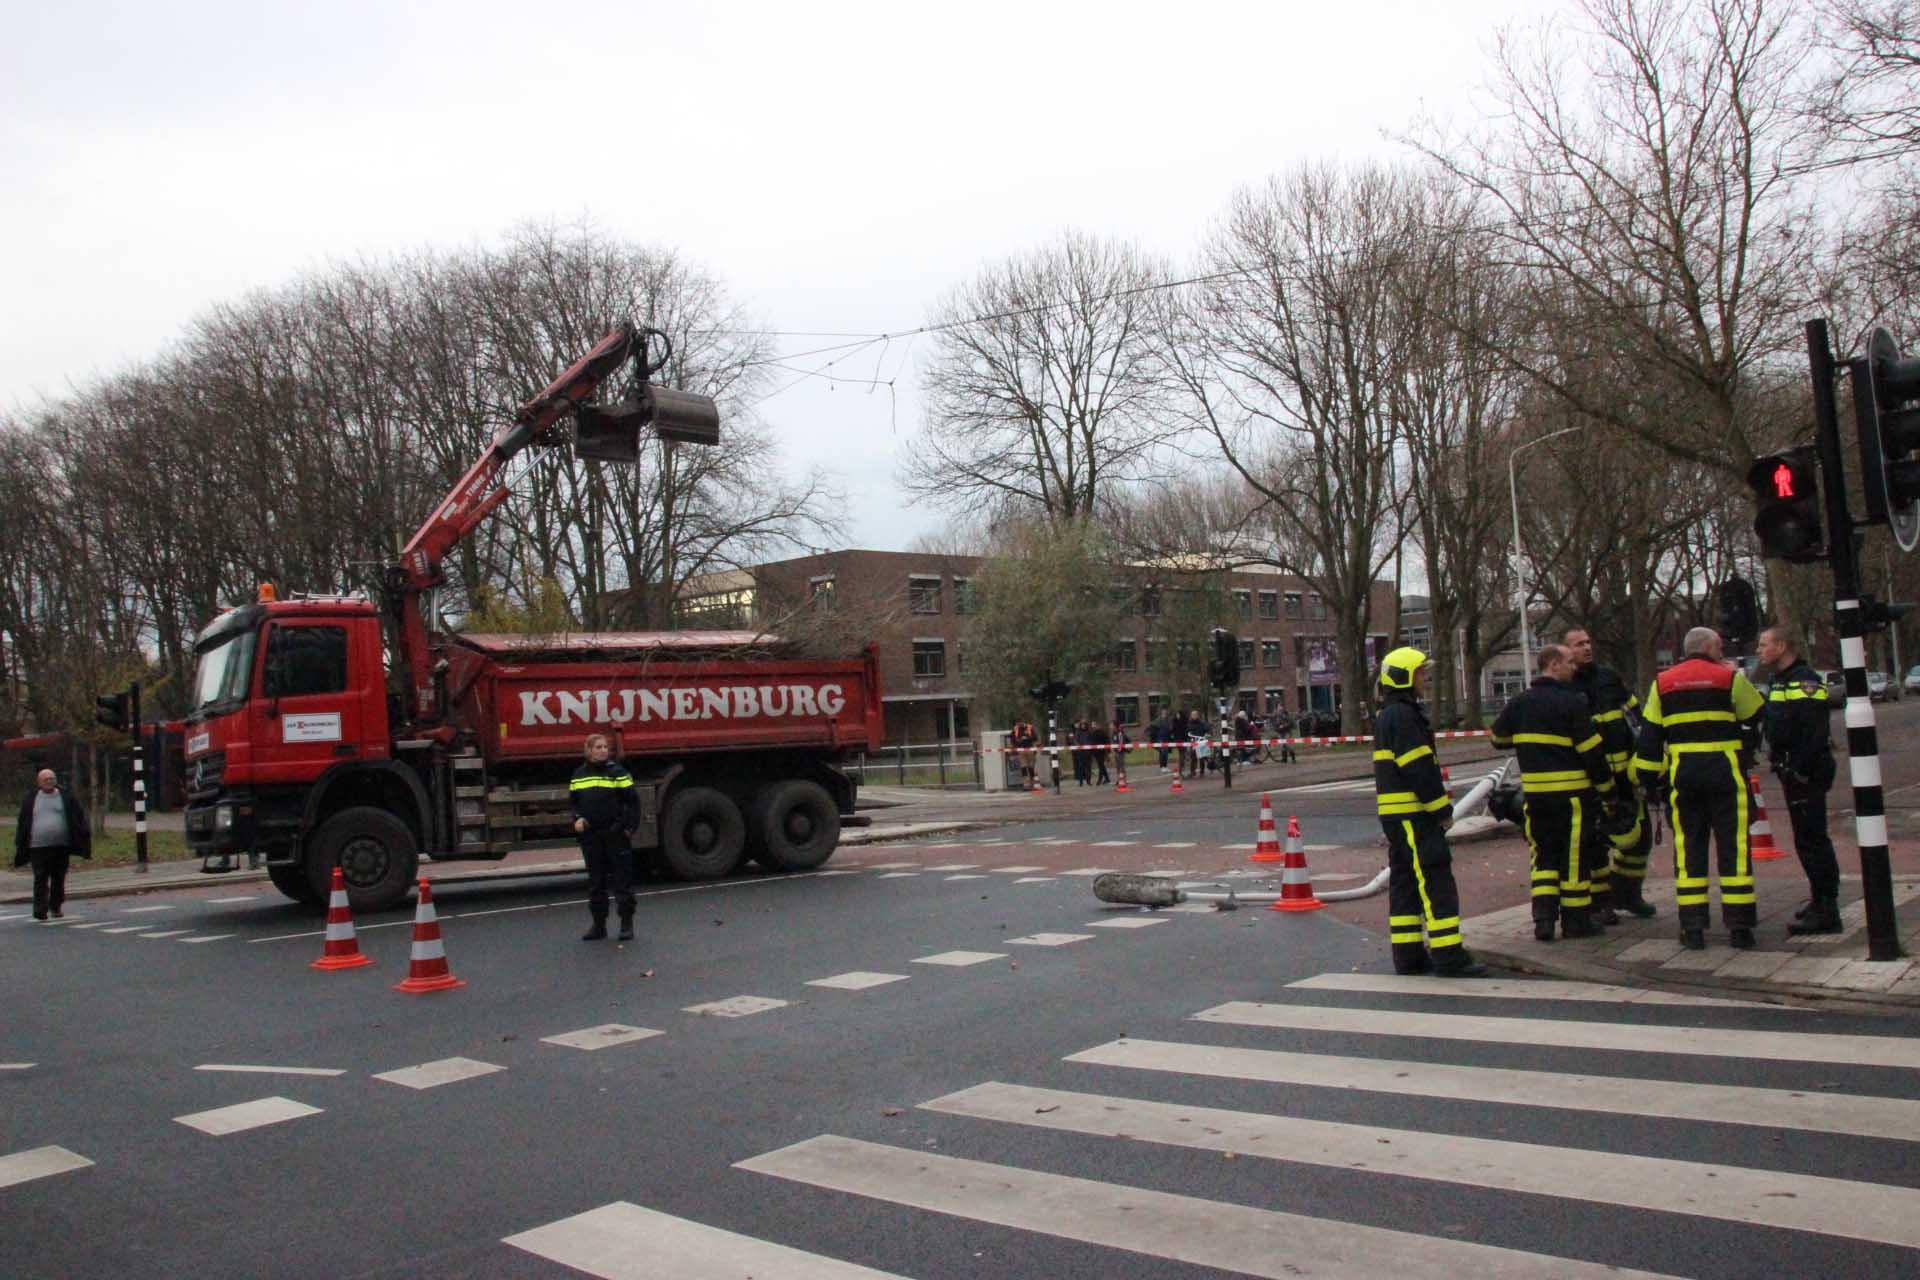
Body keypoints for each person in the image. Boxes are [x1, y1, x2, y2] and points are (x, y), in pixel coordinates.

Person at [1633, 627, 1767, 950]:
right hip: (1726, 775)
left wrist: (1649, 782)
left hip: (1684, 778)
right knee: (1734, 850)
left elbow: (1650, 739)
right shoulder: (1729, 679)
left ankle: (1692, 928)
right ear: (1707, 647)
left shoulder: (1662, 684)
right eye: (1719, 647)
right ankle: (1740, 927)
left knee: (1689, 848)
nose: (1721, 652)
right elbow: (1758, 713)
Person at [1373, 647, 1488, 977]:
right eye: (1421, 673)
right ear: (1405, 677)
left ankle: (1409, 956)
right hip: (1415, 817)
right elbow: (1419, 768)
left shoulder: (1390, 715)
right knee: (1435, 882)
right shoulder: (1405, 717)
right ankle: (1449, 956)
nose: (1426, 678)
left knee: (1406, 885)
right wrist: (1441, 810)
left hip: (1400, 819)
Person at [1492, 645, 1618, 942]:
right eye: (1569, 662)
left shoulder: (1520, 702)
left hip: (1535, 797)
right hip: (1572, 797)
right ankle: (1576, 922)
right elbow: (1592, 754)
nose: (1574, 667)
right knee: (1574, 858)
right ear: (1552, 665)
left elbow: (1498, 738)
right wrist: (1609, 792)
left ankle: (1544, 921)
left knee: (1543, 858)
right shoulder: (1572, 703)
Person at [1564, 628, 1656, 920]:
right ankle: (1599, 902)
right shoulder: (1565, 687)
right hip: (1589, 779)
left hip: (1624, 776)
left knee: (1639, 835)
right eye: (1579, 644)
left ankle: (1628, 893)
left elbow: (1636, 716)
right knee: (1595, 842)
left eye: (1588, 642)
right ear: (1566, 652)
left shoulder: (1608, 677)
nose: (1587, 648)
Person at [1757, 625, 1841, 935]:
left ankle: (1828, 908)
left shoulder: (1804, 681)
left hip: (1806, 774)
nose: (1759, 650)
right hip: (1793, 771)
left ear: (1781, 646)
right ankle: (1819, 899)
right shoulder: (1780, 680)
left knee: (1813, 840)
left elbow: (1814, 732)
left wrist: (1801, 770)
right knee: (1805, 839)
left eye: (1764, 644)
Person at [569, 733, 639, 942]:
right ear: (588, 750)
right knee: (596, 882)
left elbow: (633, 802)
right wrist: (577, 818)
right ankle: (599, 926)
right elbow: (574, 803)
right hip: (591, 836)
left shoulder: (617, 772)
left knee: (622, 880)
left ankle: (626, 924)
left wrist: (629, 828)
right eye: (598, 747)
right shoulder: (578, 775)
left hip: (615, 834)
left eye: (605, 747)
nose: (602, 751)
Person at [14, 768, 91, 921]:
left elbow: (77, 817)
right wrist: (21, 841)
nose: (49, 781)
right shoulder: (31, 798)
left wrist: (82, 835)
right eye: (46, 779)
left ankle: (55, 906)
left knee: (58, 877)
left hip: (61, 845)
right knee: (40, 877)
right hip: (38, 845)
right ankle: (39, 909)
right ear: (39, 782)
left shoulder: (66, 796)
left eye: (52, 778)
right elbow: (23, 820)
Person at [1092, 721, 1112, 785]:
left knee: (1101, 766)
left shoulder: (1102, 733)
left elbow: (1107, 741)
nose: (1093, 726)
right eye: (1092, 725)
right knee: (1101, 766)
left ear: (1098, 725)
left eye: (1094, 725)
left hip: (1101, 752)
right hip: (1096, 752)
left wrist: (1108, 751)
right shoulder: (1093, 733)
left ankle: (1100, 779)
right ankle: (1107, 778)